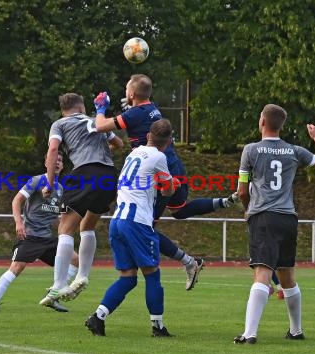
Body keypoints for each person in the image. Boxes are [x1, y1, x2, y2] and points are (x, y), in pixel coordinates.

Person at [94, 74, 238, 290]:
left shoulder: (135, 113)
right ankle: (225, 202)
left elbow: (100, 126)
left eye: (127, 89)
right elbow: (137, 116)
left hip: (159, 171)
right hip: (172, 166)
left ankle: (190, 262)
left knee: (146, 227)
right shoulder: (151, 108)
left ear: (132, 94)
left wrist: (100, 108)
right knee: (179, 211)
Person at [233, 104, 315, 344]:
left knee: (262, 273)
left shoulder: (251, 150)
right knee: (286, 275)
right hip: (288, 218)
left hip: (264, 216)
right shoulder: (294, 151)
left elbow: (242, 190)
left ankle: (249, 334)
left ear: (262, 122)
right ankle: (296, 330)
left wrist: (247, 211)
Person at [85, 118, 177, 337]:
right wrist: (174, 185)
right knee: (152, 274)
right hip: (137, 222)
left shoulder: (133, 152)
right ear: (168, 142)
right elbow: (168, 191)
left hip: (117, 220)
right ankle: (158, 327)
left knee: (127, 277)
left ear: (148, 136)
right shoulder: (159, 156)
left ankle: (98, 317)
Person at [39, 93, 123, 308]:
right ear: (82, 107)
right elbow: (119, 143)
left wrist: (49, 183)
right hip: (107, 175)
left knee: (65, 228)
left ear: (63, 109)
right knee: (88, 226)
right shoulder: (95, 120)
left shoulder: (59, 124)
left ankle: (58, 284)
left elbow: (53, 149)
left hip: (84, 172)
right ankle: (82, 276)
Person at [0, 152, 79, 313]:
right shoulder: (37, 180)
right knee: (16, 268)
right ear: (46, 162)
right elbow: (16, 200)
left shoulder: (60, 188)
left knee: (76, 260)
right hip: (30, 236)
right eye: (54, 160)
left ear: (62, 166)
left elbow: (54, 217)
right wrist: (19, 222)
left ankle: (52, 296)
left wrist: (65, 230)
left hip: (48, 239)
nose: (57, 162)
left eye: (60, 161)